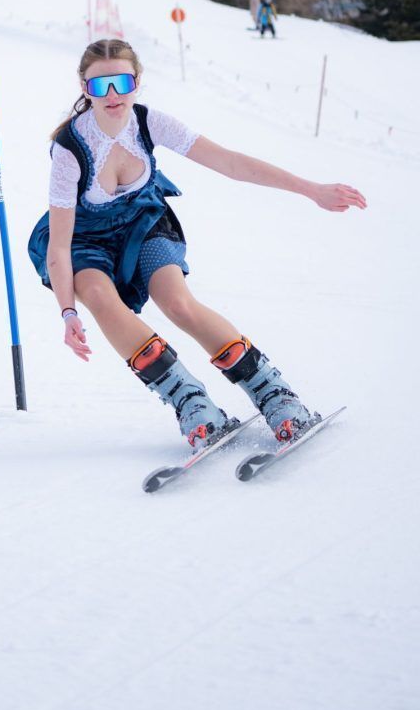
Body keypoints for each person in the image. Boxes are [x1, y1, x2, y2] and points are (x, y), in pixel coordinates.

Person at [28, 39, 367, 450]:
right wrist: (66, 312)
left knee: (177, 302)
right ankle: (191, 403)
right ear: (85, 88)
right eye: (100, 86)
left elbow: (230, 163)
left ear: (137, 82)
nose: (112, 95)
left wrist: (309, 188)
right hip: (85, 240)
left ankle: (275, 394)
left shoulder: (150, 123)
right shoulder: (70, 148)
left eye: (122, 82)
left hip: (142, 225)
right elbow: (60, 247)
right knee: (100, 297)